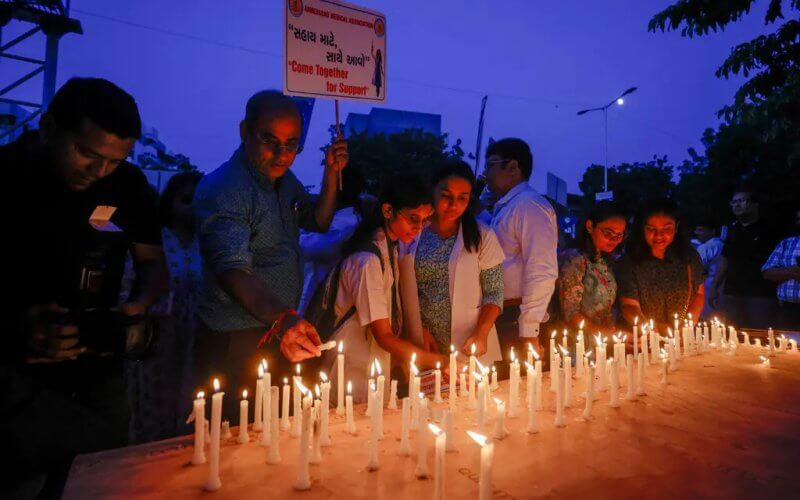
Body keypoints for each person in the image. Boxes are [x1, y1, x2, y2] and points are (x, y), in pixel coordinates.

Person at [2, 77, 166, 498]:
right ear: (50, 127)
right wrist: (18, 326)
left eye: (114, 160)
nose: (99, 172)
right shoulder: (9, 176)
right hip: (13, 375)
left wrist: (133, 310)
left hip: (96, 365)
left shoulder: (127, 185)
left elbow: (151, 265)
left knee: (104, 478)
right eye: (87, 154)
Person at [192, 90, 346, 420]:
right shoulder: (227, 189)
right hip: (234, 338)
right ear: (245, 131)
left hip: (273, 329)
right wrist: (283, 319)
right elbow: (232, 270)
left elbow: (317, 220)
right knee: (231, 436)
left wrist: (331, 174)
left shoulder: (284, 180)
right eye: (270, 140)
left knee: (269, 429)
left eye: (291, 144)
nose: (282, 154)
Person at [322, 175, 442, 403]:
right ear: (388, 210)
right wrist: (439, 362)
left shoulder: (391, 247)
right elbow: (384, 336)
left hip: (369, 364)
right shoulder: (367, 260)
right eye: (412, 218)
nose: (418, 229)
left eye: (424, 220)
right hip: (350, 368)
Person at [124, 172, 204, 443]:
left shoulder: (203, 242)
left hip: (193, 331)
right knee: (154, 391)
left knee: (187, 390)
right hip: (157, 327)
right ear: (170, 201)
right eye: (186, 200)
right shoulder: (156, 238)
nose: (193, 207)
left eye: (199, 200)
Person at [407, 160, 505, 363]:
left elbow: (494, 292)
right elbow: (403, 291)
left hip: (469, 342)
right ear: (432, 191)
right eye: (446, 196)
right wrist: (419, 329)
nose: (454, 205)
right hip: (424, 342)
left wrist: (481, 332)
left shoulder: (482, 235)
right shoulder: (413, 232)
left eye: (463, 198)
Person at [481, 138, 558, 358]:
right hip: (504, 313)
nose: (486, 174)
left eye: (490, 165)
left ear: (513, 167)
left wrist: (529, 328)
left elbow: (542, 268)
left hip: (518, 315)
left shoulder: (529, 205)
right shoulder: (510, 206)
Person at [618, 199, 705, 333]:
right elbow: (629, 305)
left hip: (683, 336)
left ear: (676, 227)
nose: (659, 235)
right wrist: (653, 331)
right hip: (644, 339)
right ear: (642, 229)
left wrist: (688, 323)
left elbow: (699, 293)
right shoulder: (631, 261)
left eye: (667, 229)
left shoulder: (688, 256)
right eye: (651, 229)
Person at [298, 165, 366, 314]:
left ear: (337, 187)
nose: (323, 190)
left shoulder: (345, 224)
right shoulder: (345, 218)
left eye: (326, 185)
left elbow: (306, 248)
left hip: (323, 305)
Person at [709, 189, 781, 328]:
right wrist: (714, 287)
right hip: (732, 293)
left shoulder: (770, 230)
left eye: (741, 201)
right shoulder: (730, 230)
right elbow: (724, 261)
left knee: (760, 338)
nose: (737, 205)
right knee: (733, 337)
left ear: (755, 204)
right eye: (734, 202)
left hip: (761, 295)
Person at [557, 201, 627, 335]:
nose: (614, 240)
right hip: (579, 344)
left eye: (619, 235)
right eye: (608, 233)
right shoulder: (575, 260)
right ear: (590, 226)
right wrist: (607, 334)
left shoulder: (607, 261)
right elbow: (571, 313)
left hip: (603, 341)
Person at [761, 207, 800, 329]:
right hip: (788, 310)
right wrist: (793, 272)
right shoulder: (787, 243)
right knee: (787, 345)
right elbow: (766, 272)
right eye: (799, 218)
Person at [693, 220, 724, 317]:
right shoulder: (719, 243)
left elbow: (697, 266)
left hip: (708, 286)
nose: (698, 233)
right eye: (697, 230)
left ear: (712, 231)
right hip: (717, 286)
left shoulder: (710, 245)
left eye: (701, 230)